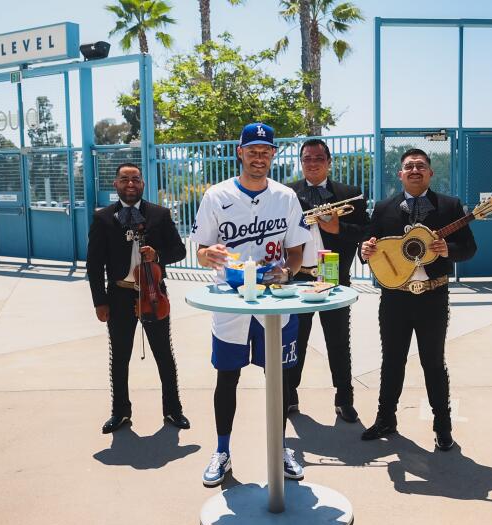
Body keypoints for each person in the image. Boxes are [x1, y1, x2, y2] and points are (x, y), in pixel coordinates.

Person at [192, 122, 311, 486]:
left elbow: (295, 252)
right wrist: (207, 253)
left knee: (279, 380)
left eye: (266, 151)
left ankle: (280, 448)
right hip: (230, 300)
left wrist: (286, 274)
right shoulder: (216, 195)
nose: (259, 157)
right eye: (252, 150)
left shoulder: (286, 196)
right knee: (227, 377)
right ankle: (222, 451)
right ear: (240, 152)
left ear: (273, 155)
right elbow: (199, 251)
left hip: (275, 301)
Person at [359, 148, 476, 451]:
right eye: (408, 166)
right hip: (394, 299)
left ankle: (442, 425)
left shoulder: (449, 206)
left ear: (430, 173)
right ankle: (386, 418)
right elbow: (370, 245)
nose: (414, 170)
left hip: (432, 298)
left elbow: (469, 248)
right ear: (400, 174)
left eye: (420, 166)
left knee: (433, 363)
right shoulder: (385, 207)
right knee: (392, 361)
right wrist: (366, 251)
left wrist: (447, 250)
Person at [87, 162, 190, 435]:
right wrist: (100, 301)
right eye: (124, 179)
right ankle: (120, 412)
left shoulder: (159, 214)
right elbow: (94, 265)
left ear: (143, 183)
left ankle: (173, 409)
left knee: (164, 355)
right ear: (116, 184)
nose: (130, 184)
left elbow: (179, 251)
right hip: (119, 294)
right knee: (119, 357)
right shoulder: (103, 218)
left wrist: (157, 255)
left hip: (153, 293)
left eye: (135, 179)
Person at [285, 139, 368, 423]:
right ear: (301, 162)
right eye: (307, 158)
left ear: (329, 162)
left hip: (333, 277)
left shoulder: (350, 194)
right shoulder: (287, 194)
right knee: (295, 339)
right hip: (299, 278)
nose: (312, 163)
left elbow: (364, 231)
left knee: (338, 340)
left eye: (319, 158)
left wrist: (337, 226)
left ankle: (344, 398)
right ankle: (289, 394)